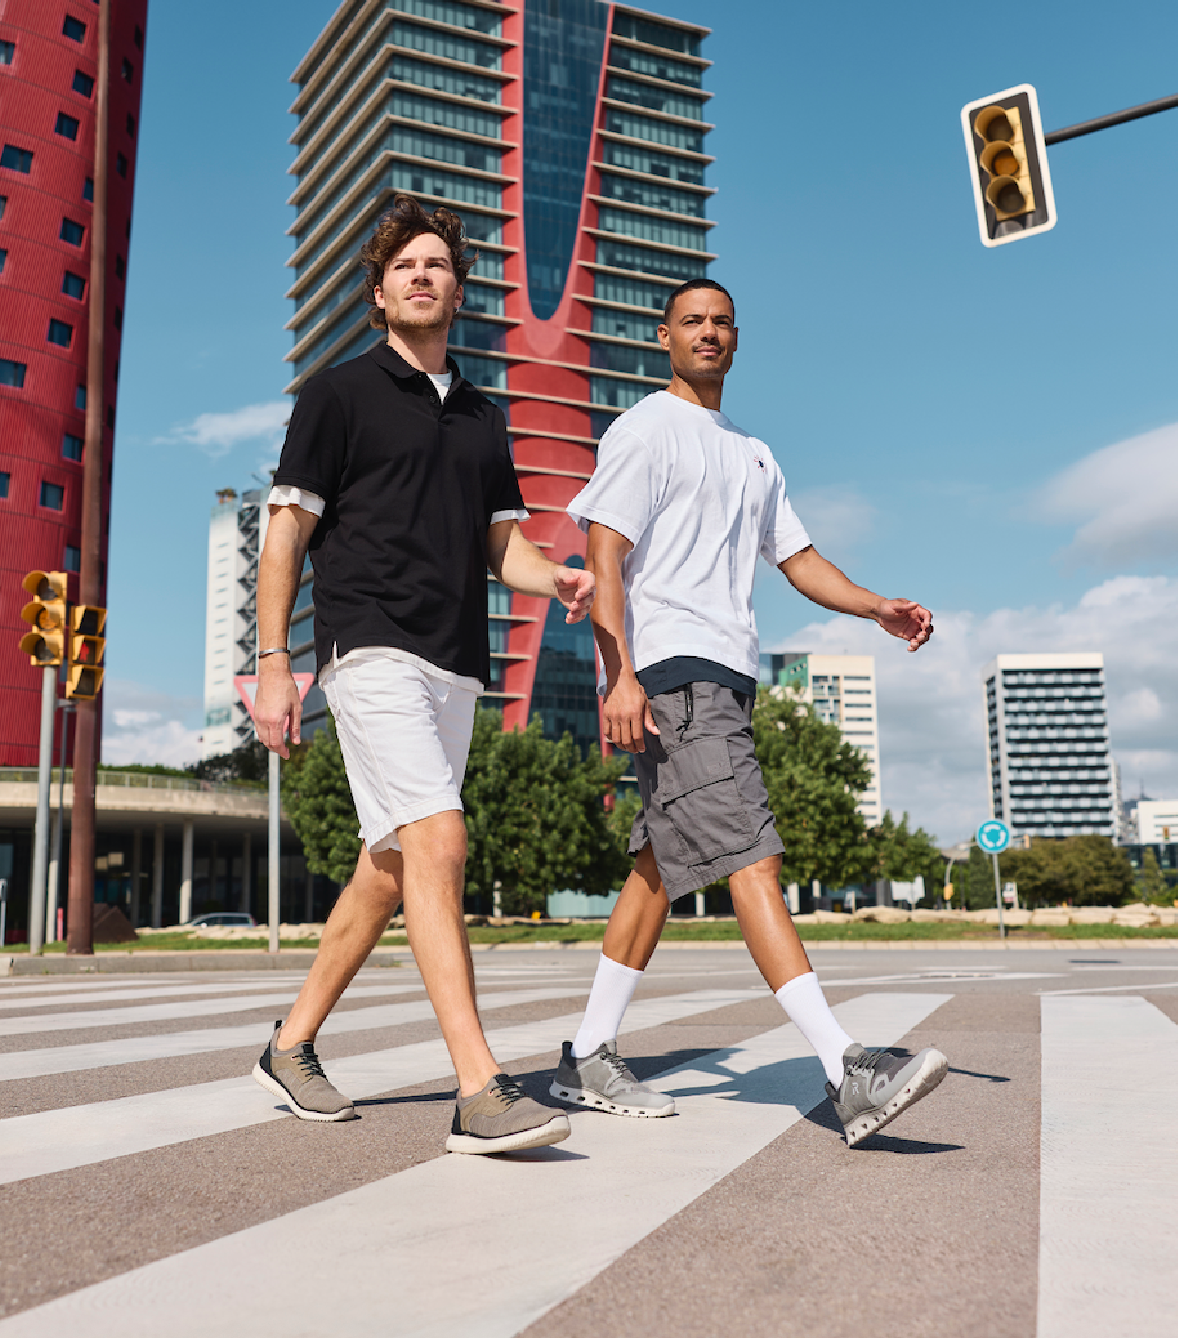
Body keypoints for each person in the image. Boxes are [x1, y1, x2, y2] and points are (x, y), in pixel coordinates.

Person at [548, 279, 947, 1146]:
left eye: (722, 323)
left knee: (659, 865)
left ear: (738, 340)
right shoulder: (645, 429)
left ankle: (585, 1055)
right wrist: (619, 674)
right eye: (693, 321)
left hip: (724, 679)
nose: (709, 333)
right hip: (674, 672)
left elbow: (798, 559)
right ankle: (848, 1069)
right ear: (665, 338)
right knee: (750, 858)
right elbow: (603, 555)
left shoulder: (755, 454)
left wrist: (874, 605)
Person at [250, 195, 594, 1155]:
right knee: (440, 840)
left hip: (457, 668)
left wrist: (552, 574)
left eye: (436, 263)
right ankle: (479, 1089)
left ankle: (292, 1043)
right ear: (378, 289)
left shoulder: (484, 417)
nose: (420, 275)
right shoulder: (337, 394)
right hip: (369, 647)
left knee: (391, 863)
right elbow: (286, 531)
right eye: (403, 265)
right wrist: (277, 662)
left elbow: (503, 548)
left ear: (455, 287)